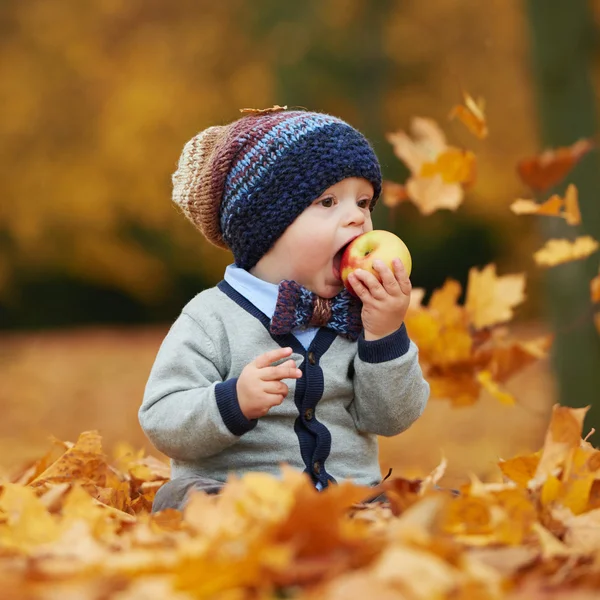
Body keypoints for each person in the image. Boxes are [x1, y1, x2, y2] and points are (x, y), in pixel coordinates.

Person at [139, 107, 430, 512]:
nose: (357, 220)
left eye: (363, 202)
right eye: (328, 201)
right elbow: (162, 418)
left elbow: (391, 418)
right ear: (267, 228)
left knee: (431, 506)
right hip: (243, 498)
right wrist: (232, 401)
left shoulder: (364, 314)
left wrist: (385, 335)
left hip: (348, 501)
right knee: (183, 500)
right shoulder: (210, 318)